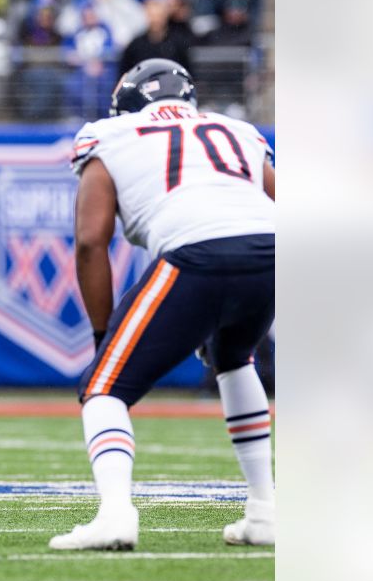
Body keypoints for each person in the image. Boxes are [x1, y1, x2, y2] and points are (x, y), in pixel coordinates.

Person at [52, 59, 275, 550]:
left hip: (196, 250)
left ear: (128, 102)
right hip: (273, 251)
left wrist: (100, 335)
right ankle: (264, 510)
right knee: (235, 360)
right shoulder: (238, 129)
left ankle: (114, 514)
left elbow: (92, 241)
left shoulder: (108, 135)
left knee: (103, 388)